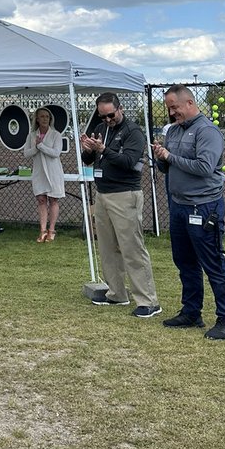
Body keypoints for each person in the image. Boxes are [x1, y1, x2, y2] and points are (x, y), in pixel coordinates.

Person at [152, 85, 225, 340]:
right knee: (185, 262)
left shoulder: (207, 131)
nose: (171, 112)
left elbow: (204, 167)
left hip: (204, 206)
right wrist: (161, 157)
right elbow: (170, 168)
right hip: (179, 206)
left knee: (213, 264)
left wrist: (170, 156)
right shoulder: (174, 132)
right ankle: (191, 312)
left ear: (189, 103)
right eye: (169, 108)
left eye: (174, 107)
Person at [80, 93, 161, 320]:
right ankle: (116, 292)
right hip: (103, 194)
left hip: (125, 194)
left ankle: (148, 301)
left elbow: (129, 163)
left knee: (131, 248)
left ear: (120, 109)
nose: (107, 120)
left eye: (111, 115)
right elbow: (89, 160)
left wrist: (104, 150)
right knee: (107, 247)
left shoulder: (133, 132)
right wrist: (88, 148)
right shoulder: (101, 128)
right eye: (102, 116)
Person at [22, 107, 65, 241]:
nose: (45, 119)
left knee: (53, 199)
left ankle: (52, 230)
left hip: (53, 171)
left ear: (50, 119)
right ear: (37, 119)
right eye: (42, 116)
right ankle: (42, 230)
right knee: (41, 199)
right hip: (39, 171)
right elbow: (26, 153)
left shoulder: (56, 135)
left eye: (47, 116)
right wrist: (36, 147)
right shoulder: (32, 135)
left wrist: (41, 146)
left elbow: (56, 153)